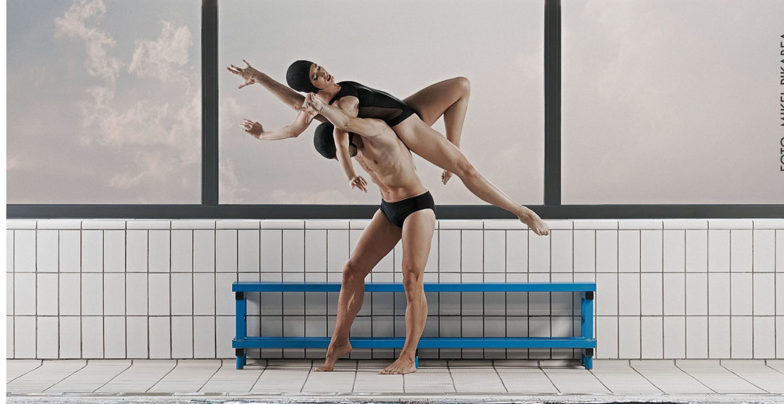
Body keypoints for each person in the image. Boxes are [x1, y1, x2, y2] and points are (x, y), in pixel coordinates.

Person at [227, 59, 550, 236]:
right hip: (406, 127)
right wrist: (262, 135)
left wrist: (258, 76)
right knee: (466, 169)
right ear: (314, 86)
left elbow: (293, 97)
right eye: (317, 75)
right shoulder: (341, 103)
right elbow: (307, 127)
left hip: (405, 107)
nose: (324, 72)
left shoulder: (321, 96)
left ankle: (451, 147)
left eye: (319, 67)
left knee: (461, 85)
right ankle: (521, 212)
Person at [301, 92, 437, 374]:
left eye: (345, 150)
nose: (348, 155)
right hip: (389, 208)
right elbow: (300, 111)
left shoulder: (374, 129)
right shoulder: (350, 145)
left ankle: (408, 357)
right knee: (352, 271)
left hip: (416, 206)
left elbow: (344, 123)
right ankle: (339, 341)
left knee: (411, 279)